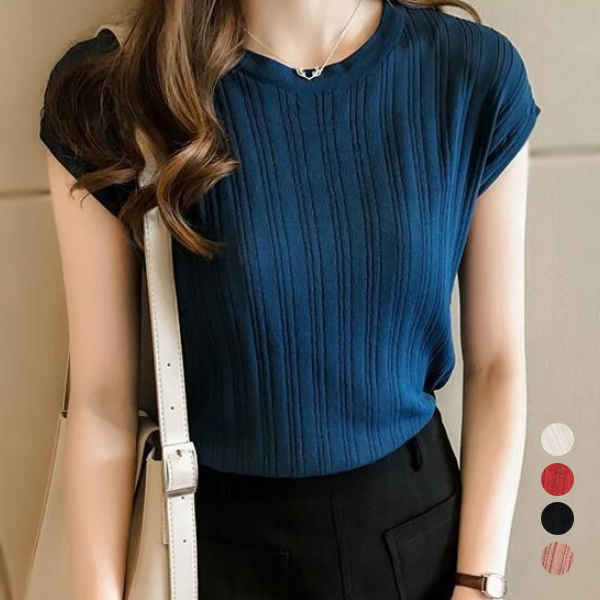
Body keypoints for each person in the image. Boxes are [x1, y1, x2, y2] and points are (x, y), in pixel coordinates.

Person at [39, 0, 540, 598]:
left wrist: (477, 585)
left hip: (417, 547)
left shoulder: (471, 74)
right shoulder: (113, 89)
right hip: (208, 547)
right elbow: (100, 401)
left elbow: (496, 366)